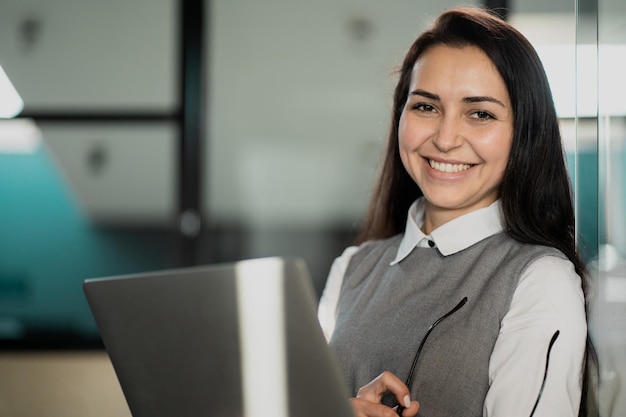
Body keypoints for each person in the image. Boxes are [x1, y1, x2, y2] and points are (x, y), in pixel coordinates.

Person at [317, 7, 592, 417]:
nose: (445, 139)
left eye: (480, 113)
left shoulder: (539, 281)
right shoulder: (352, 268)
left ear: (524, 135)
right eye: (426, 107)